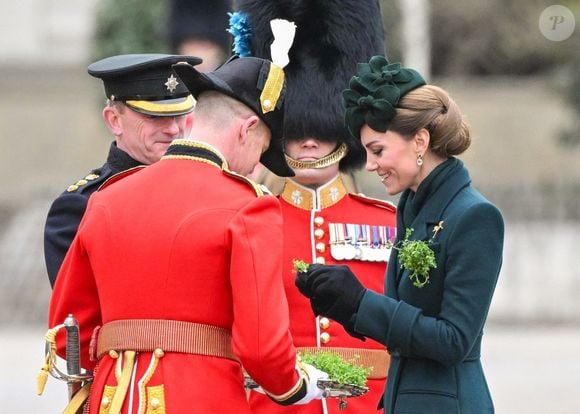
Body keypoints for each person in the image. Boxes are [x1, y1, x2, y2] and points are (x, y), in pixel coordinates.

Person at [48, 55, 328, 413]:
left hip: (115, 398)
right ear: (247, 129)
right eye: (261, 148)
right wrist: (297, 386)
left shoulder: (107, 196)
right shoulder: (250, 205)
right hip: (202, 398)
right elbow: (263, 348)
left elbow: (68, 328)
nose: (256, 164)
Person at [296, 55, 505, 414]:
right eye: (366, 153)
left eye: (378, 150)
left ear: (420, 141)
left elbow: (453, 340)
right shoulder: (413, 208)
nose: (371, 164)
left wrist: (361, 302)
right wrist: (344, 305)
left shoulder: (474, 216)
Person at [234, 1, 396, 413]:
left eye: (322, 131)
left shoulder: (390, 226)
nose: (308, 141)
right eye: (296, 131)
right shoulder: (249, 221)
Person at [43, 53, 202, 287]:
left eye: (178, 115)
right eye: (153, 116)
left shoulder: (203, 190)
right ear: (114, 121)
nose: (172, 129)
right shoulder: (79, 206)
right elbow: (77, 308)